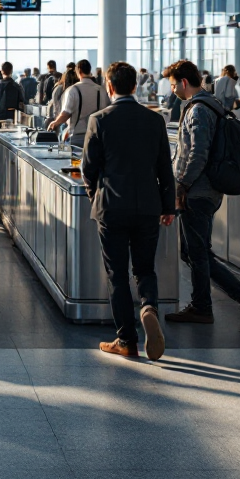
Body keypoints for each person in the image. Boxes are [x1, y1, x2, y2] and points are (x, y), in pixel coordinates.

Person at [161, 60, 240, 332]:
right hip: (207, 189)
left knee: (196, 252)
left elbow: (197, 153)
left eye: (173, 85)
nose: (173, 91)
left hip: (197, 192)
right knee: (195, 251)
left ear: (184, 82)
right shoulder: (213, 104)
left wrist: (181, 184)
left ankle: (234, 298)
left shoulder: (197, 110)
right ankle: (206, 304)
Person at [82, 62, 174, 360]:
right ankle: (148, 307)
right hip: (148, 205)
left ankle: (127, 340)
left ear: (109, 87)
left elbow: (88, 168)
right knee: (145, 268)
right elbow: (164, 168)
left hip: (112, 207)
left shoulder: (100, 120)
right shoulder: (154, 120)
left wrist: (94, 195)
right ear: (135, 86)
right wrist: (168, 206)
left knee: (117, 274)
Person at [48, 59, 110, 148]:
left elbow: (66, 113)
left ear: (79, 71)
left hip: (78, 138)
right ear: (89, 70)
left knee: (75, 161)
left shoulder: (73, 90)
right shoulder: (101, 90)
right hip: (97, 138)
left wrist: (55, 123)